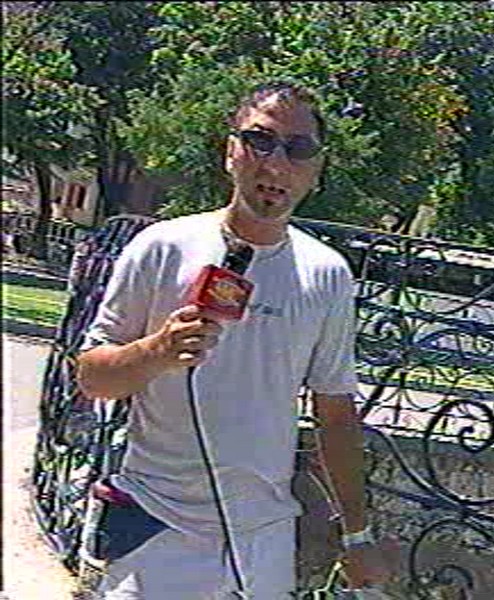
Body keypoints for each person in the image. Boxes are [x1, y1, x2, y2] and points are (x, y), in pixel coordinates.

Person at [76, 82, 385, 598]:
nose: (276, 164)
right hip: (155, 526)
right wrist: (156, 351)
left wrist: (358, 535)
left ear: (316, 170)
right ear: (230, 152)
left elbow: (335, 415)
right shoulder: (161, 247)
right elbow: (92, 378)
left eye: (298, 149)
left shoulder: (328, 276)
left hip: (262, 541)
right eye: (260, 141)